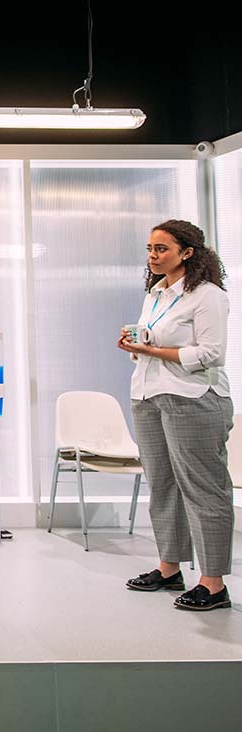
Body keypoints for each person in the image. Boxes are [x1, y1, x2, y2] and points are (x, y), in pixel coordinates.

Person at [118, 220, 233, 611]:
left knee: (203, 489)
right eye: (150, 248)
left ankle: (213, 583)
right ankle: (169, 568)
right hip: (149, 395)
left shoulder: (207, 295)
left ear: (187, 253)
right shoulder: (156, 293)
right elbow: (154, 342)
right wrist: (136, 345)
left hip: (193, 398)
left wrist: (153, 353)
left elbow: (210, 353)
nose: (152, 256)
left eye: (161, 249)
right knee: (163, 486)